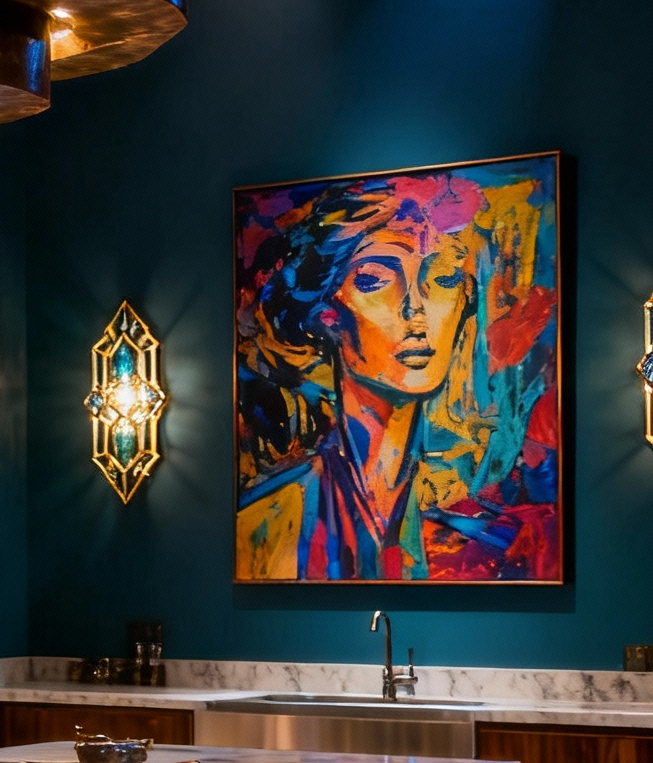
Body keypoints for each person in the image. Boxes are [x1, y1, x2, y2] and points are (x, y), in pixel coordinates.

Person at [236, 168, 557, 582]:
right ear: (326, 315)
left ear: (464, 304)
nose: (416, 313)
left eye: (442, 279)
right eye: (375, 280)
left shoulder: (491, 532)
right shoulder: (268, 522)